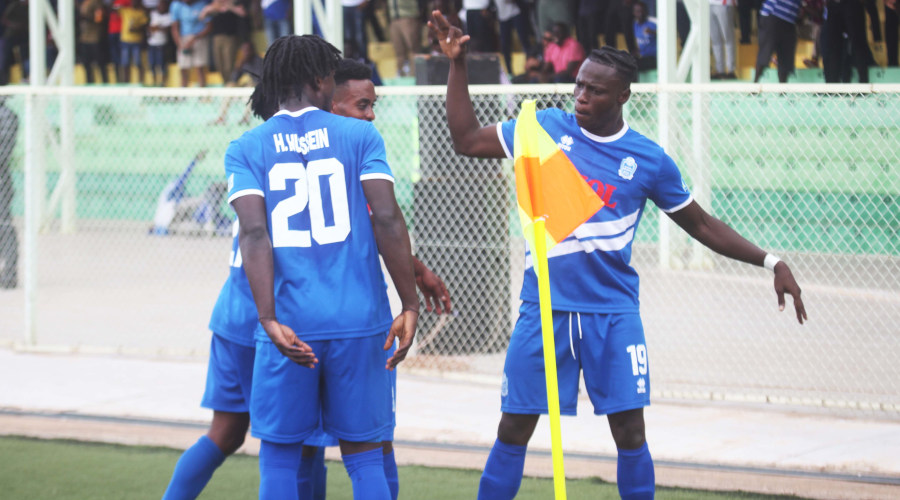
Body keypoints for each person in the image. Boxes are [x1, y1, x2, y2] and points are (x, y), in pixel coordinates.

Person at [428, 10, 808, 500]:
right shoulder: (542, 128)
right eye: (579, 85)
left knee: (630, 433)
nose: (581, 96)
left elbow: (702, 225)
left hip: (614, 312)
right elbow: (465, 140)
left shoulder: (648, 159)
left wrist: (771, 261)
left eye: (595, 90)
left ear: (623, 96)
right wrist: (456, 65)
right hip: (545, 309)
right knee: (514, 426)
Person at [229, 34, 426, 500]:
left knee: (279, 457)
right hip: (360, 320)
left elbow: (254, 235)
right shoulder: (360, 134)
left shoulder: (246, 146)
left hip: (291, 324)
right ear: (321, 79)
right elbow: (386, 217)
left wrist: (268, 319)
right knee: (364, 457)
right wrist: (410, 302)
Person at [199, 0, 246, 85]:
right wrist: (209, 10)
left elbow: (242, 13)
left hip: (230, 37)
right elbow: (201, 17)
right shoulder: (213, 6)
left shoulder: (233, 3)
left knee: (228, 62)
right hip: (216, 37)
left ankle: (231, 82)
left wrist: (230, 7)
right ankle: (226, 81)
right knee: (219, 63)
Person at [753, 0, 802, 83]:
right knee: (766, 51)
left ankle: (782, 90)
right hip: (773, 14)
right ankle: (755, 86)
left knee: (786, 55)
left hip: (789, 18)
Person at [170, 0, 212, 87]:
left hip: (199, 37)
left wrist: (195, 39)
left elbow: (209, 26)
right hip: (183, 39)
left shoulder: (202, 4)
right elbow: (175, 27)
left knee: (199, 67)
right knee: (183, 68)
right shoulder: (176, 5)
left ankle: (202, 94)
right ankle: (183, 94)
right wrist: (180, 44)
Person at [0, 96, 17, 288]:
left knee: (4, 224)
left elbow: (3, 153)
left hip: (1, 180)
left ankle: (10, 273)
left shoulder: (7, 117)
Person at [387, 0, 421, 77]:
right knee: (398, 50)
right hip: (393, 18)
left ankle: (414, 75)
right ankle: (400, 75)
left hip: (408, 16)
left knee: (412, 49)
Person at [78, 0, 109, 83]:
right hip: (85, 38)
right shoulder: (84, 3)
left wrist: (86, 17)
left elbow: (99, 18)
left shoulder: (97, 3)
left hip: (94, 38)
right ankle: (89, 83)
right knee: (86, 64)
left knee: (100, 63)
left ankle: (105, 83)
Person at [118, 0, 148, 84]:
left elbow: (144, 26)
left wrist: (136, 29)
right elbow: (113, 9)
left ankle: (140, 82)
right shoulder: (126, 10)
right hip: (125, 40)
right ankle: (126, 82)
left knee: (138, 63)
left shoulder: (141, 13)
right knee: (125, 63)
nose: (134, 3)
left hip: (136, 41)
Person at [147, 0, 173, 86]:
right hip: (152, 43)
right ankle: (154, 82)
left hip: (162, 44)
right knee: (152, 65)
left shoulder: (168, 16)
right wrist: (156, 28)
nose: (161, 6)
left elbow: (167, 30)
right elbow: (149, 27)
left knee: (162, 65)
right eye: (160, 5)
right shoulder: (153, 13)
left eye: (163, 5)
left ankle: (163, 83)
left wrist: (157, 27)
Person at [710, 0, 737, 79]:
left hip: (724, 3)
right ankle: (720, 70)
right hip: (708, 3)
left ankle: (731, 70)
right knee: (715, 39)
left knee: (728, 37)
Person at [632, 0, 656, 72]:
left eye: (642, 11)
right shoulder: (635, 25)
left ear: (646, 12)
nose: (640, 14)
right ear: (634, 13)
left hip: (654, 57)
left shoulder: (652, 23)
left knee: (635, 66)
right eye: (638, 11)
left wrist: (653, 32)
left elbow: (665, 33)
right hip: (642, 57)